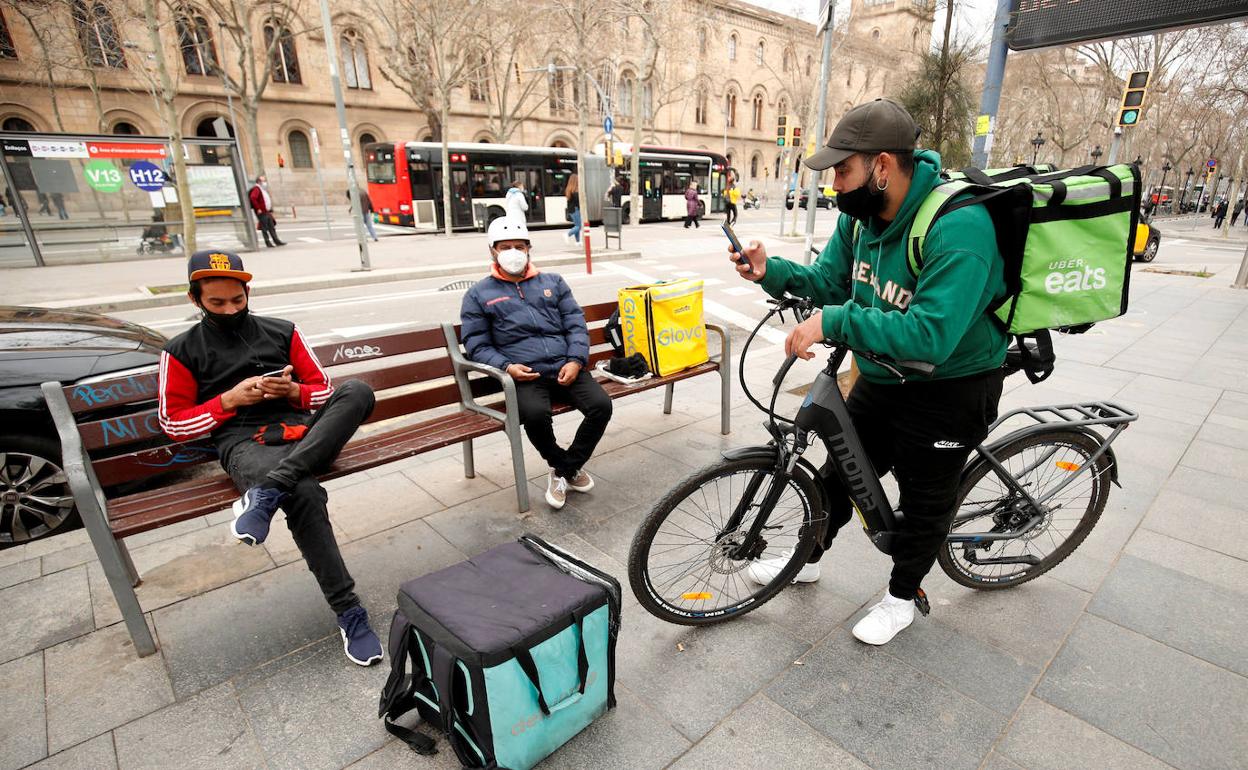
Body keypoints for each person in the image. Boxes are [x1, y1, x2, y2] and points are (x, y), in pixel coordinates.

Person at [729, 98, 1007, 647]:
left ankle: (902, 597)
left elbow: (930, 335)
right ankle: (807, 556)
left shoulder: (959, 227)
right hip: (882, 377)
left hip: (949, 386)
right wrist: (770, 271)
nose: (835, 183)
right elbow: (832, 280)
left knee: (926, 499)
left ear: (881, 166)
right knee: (842, 471)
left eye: (842, 169)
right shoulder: (861, 220)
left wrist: (833, 321)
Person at [157, 250, 383, 666]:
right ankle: (349, 611)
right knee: (305, 494)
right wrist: (227, 400)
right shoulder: (181, 350)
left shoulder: (282, 331)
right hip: (245, 443)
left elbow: (323, 389)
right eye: (217, 303)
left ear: (247, 293)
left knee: (359, 392)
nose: (229, 310)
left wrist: (293, 392)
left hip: (303, 433)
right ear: (195, 300)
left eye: (237, 301)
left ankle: (267, 492)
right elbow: (173, 423)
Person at [460, 217, 612, 510]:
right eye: (505, 247)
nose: (513, 252)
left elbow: (575, 325)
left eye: (519, 246)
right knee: (534, 415)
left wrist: (575, 360)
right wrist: (506, 366)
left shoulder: (553, 282)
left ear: (529, 248)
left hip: (565, 366)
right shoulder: (479, 294)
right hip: (525, 373)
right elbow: (477, 344)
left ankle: (564, 469)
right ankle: (564, 465)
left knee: (601, 406)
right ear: (493, 251)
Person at [249, 175, 286, 247]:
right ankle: (267, 242)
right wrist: (258, 208)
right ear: (259, 182)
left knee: (271, 226)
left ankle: (276, 241)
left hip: (267, 211)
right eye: (263, 181)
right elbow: (253, 198)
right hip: (262, 212)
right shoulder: (256, 189)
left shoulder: (261, 189)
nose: (265, 182)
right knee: (264, 227)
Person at [564, 174, 582, 245]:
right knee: (579, 226)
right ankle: (567, 234)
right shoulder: (575, 192)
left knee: (577, 225)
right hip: (576, 210)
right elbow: (579, 202)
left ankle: (578, 241)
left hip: (571, 210)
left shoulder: (569, 190)